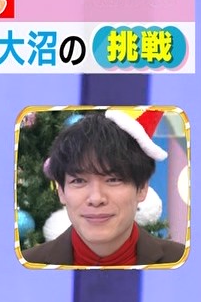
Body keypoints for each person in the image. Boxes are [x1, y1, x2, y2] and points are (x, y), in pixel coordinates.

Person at [24, 110, 185, 266]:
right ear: (61, 191)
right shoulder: (27, 265)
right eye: (79, 181)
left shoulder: (182, 262)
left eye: (113, 180)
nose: (96, 199)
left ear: (142, 187)